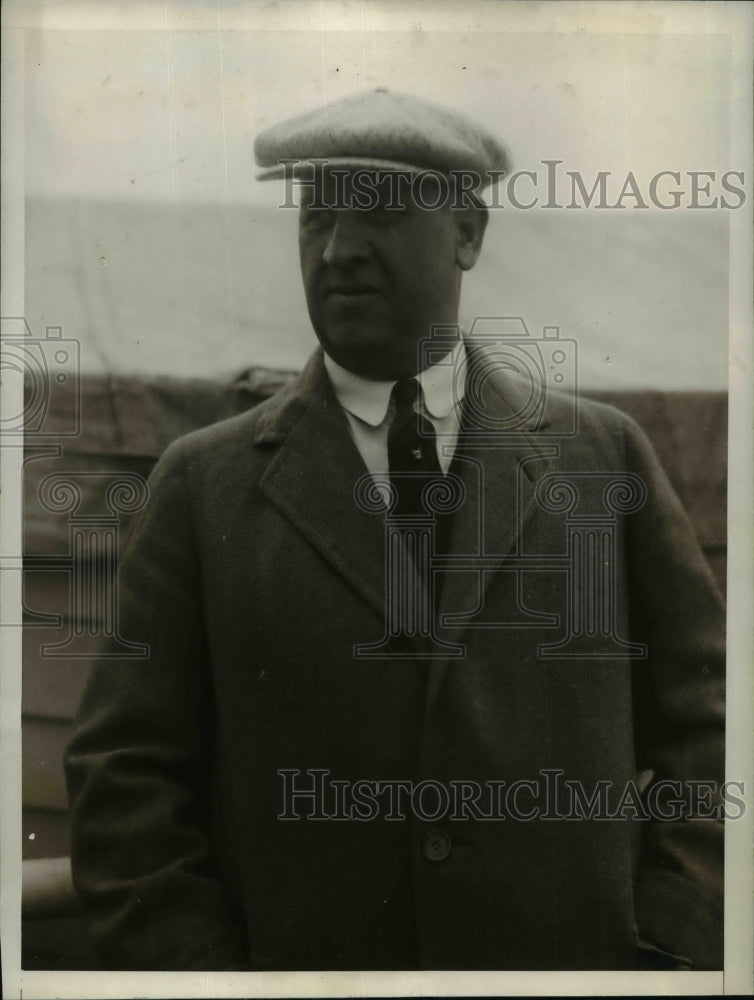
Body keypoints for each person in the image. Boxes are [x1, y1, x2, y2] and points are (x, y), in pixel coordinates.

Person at [65, 88, 725, 972]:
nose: (339, 249)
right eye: (317, 215)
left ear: (468, 234)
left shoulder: (602, 458)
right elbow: (124, 774)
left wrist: (670, 946)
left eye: (378, 212)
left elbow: (715, 726)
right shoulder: (201, 484)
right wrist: (208, 981)